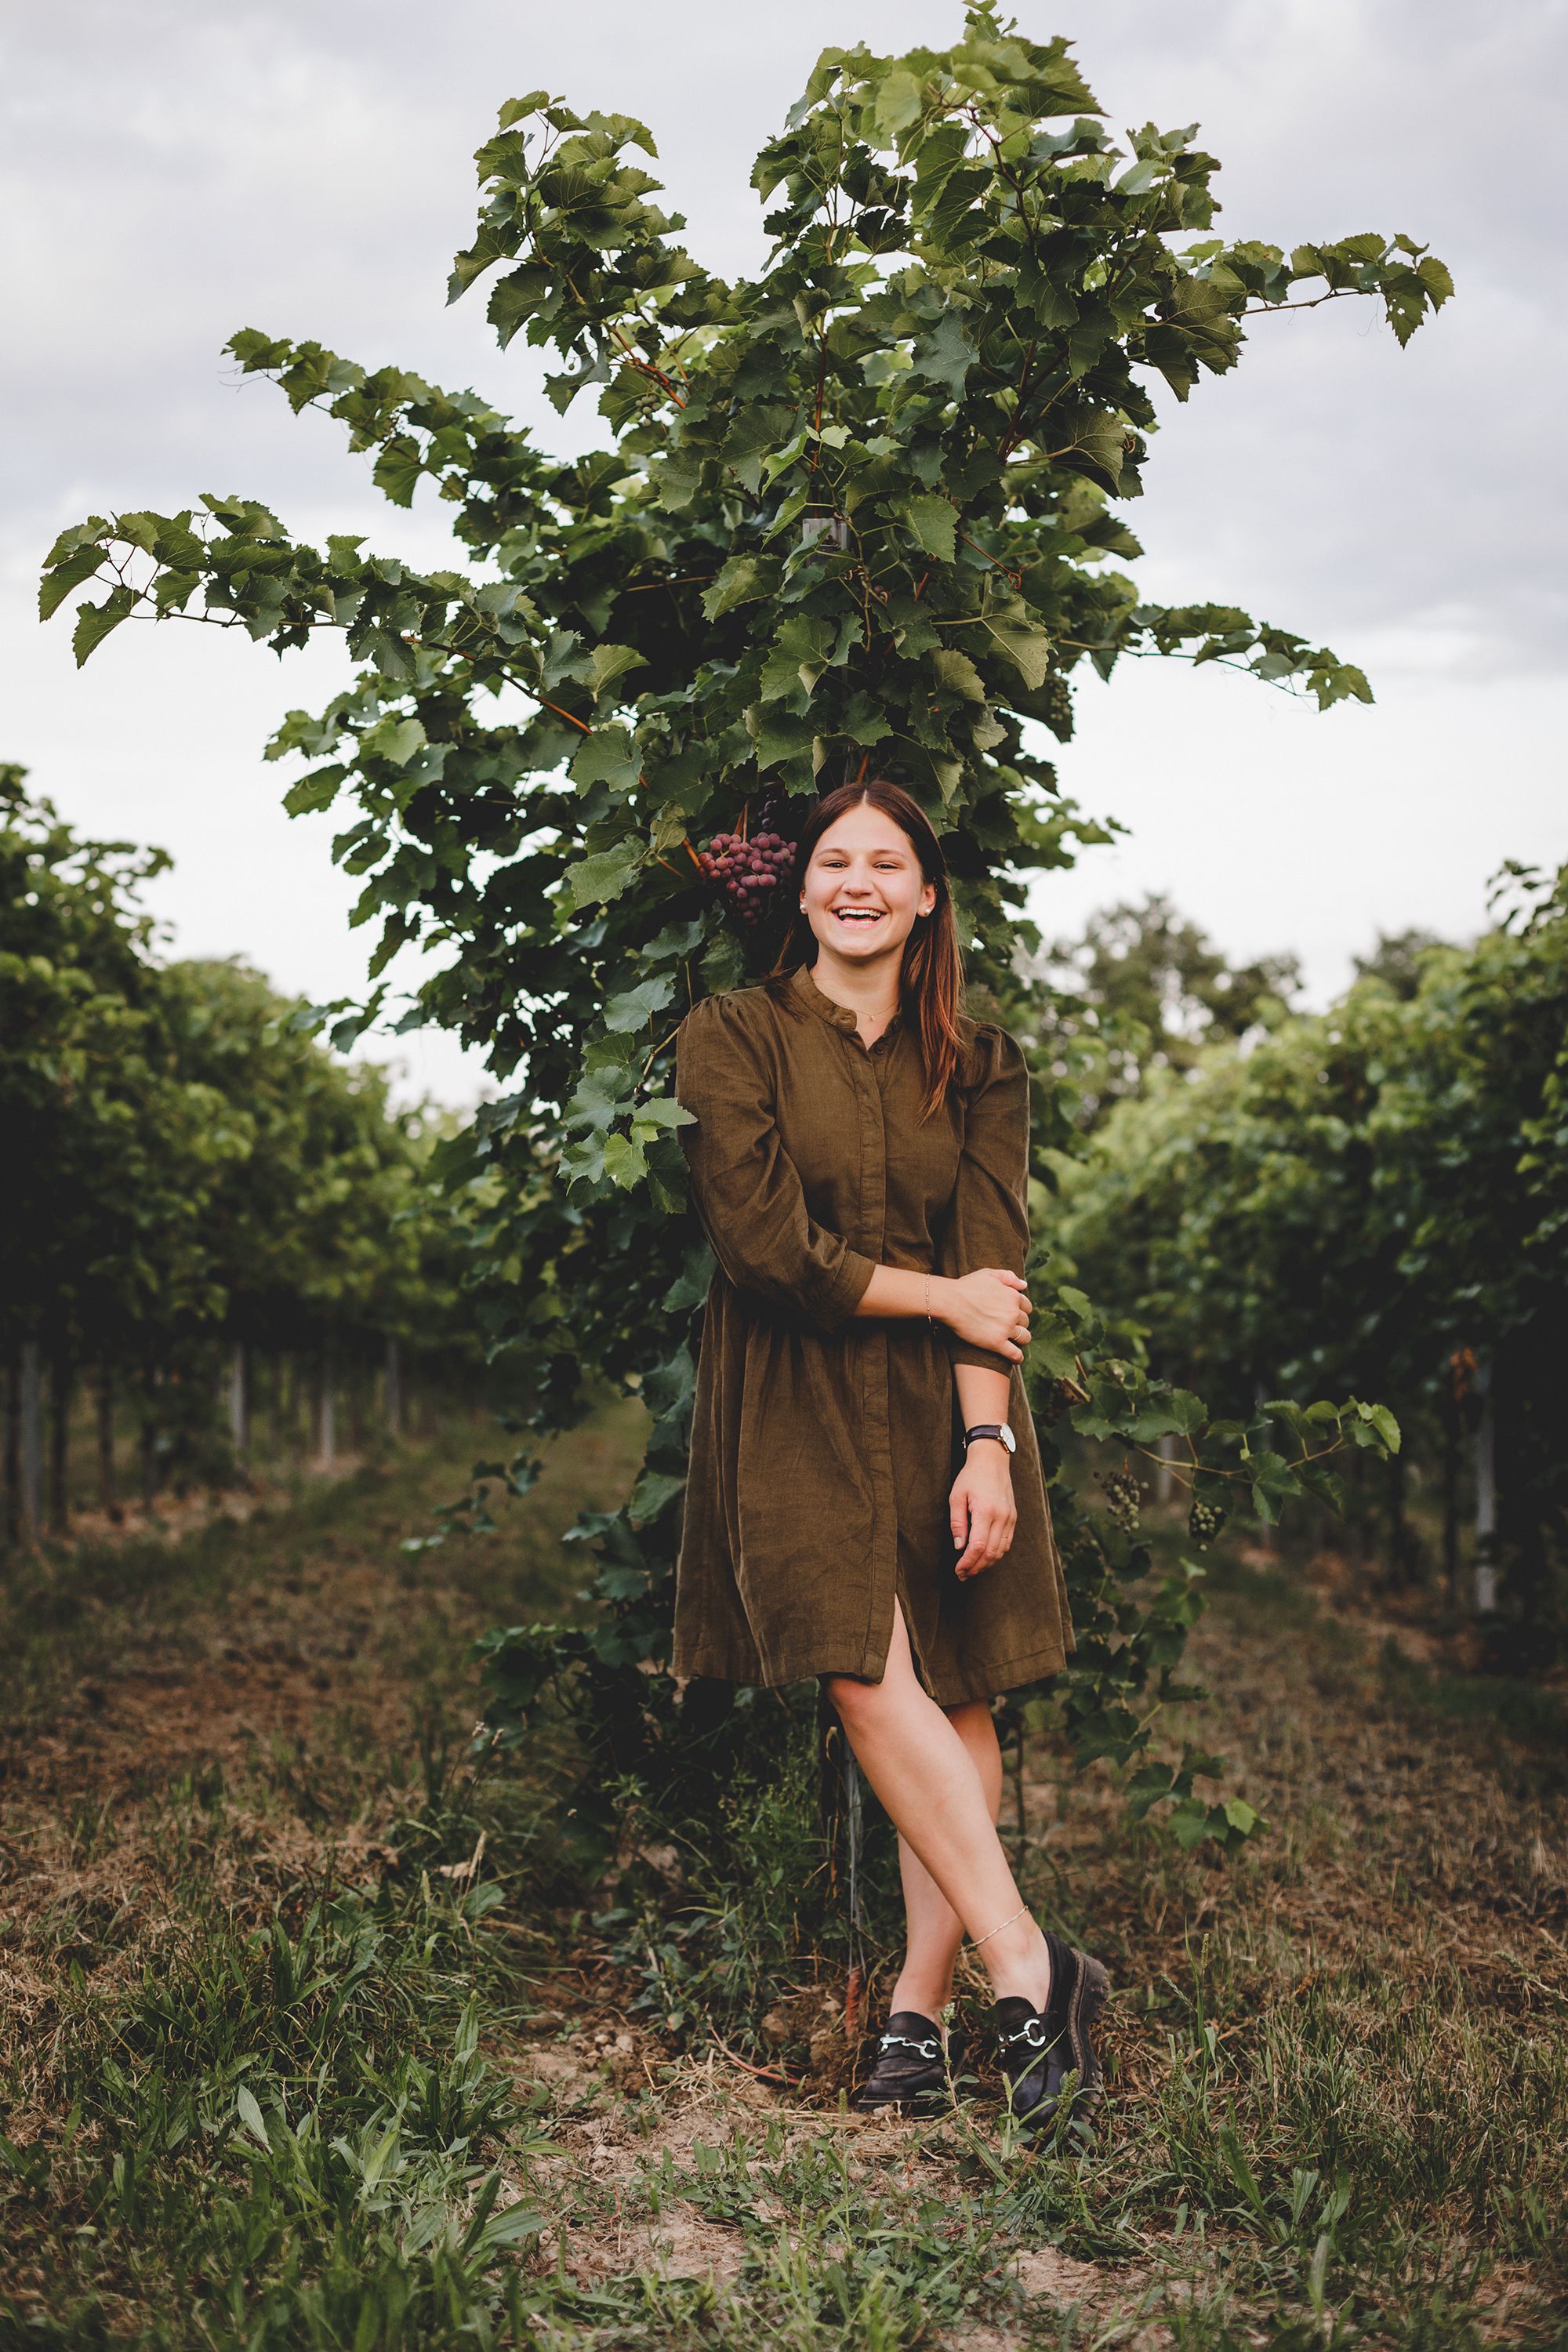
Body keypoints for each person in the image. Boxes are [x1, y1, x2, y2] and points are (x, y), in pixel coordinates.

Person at [671, 776, 1107, 2129]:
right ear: (799, 890)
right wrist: (948, 1301)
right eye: (832, 862)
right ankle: (1034, 1967)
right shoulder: (731, 1035)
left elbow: (995, 1261)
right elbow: (765, 1249)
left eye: (886, 863)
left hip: (943, 1400)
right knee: (863, 1671)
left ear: (927, 896)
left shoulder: (977, 1063)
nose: (857, 882)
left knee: (958, 1692)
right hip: (793, 1387)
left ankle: (917, 2014)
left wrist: (990, 1442)